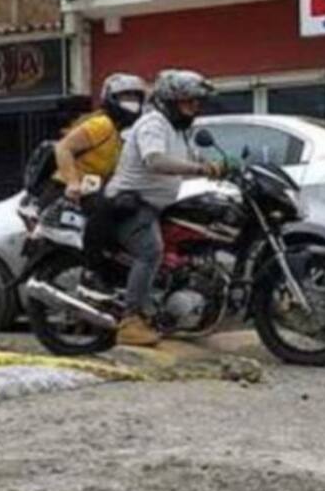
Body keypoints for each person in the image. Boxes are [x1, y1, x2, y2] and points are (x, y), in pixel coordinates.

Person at [102, 69, 223, 348]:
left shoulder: (179, 131)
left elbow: (192, 161)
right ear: (170, 101)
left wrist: (220, 169)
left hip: (158, 205)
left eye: (196, 102)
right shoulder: (152, 124)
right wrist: (199, 168)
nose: (195, 107)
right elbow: (155, 160)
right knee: (151, 250)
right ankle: (131, 321)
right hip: (131, 203)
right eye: (188, 101)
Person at [44, 73, 147, 208]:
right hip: (67, 194)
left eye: (135, 97)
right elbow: (63, 147)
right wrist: (73, 183)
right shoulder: (102, 124)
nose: (131, 102)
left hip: (91, 193)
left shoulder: (121, 133)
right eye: (125, 97)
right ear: (111, 99)